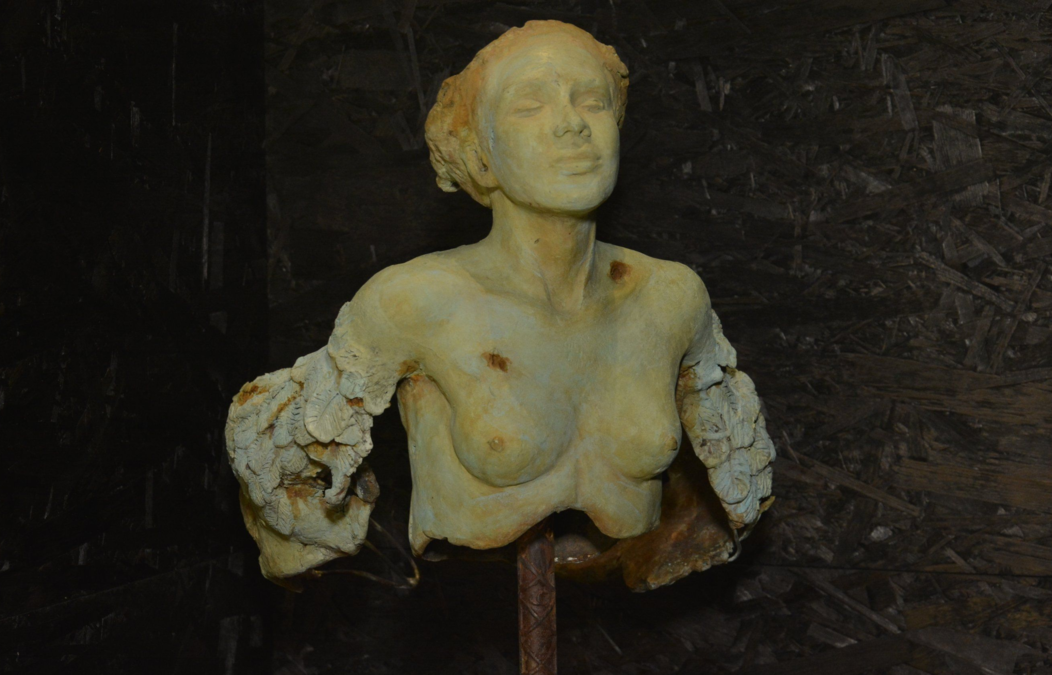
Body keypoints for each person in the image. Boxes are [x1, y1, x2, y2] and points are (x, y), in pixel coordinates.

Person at [225, 20, 774, 590]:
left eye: (592, 101)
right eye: (529, 106)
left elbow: (733, 461)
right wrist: (317, 532)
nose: (572, 124)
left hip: (605, 569)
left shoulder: (670, 298)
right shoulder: (419, 301)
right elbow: (280, 451)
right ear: (479, 156)